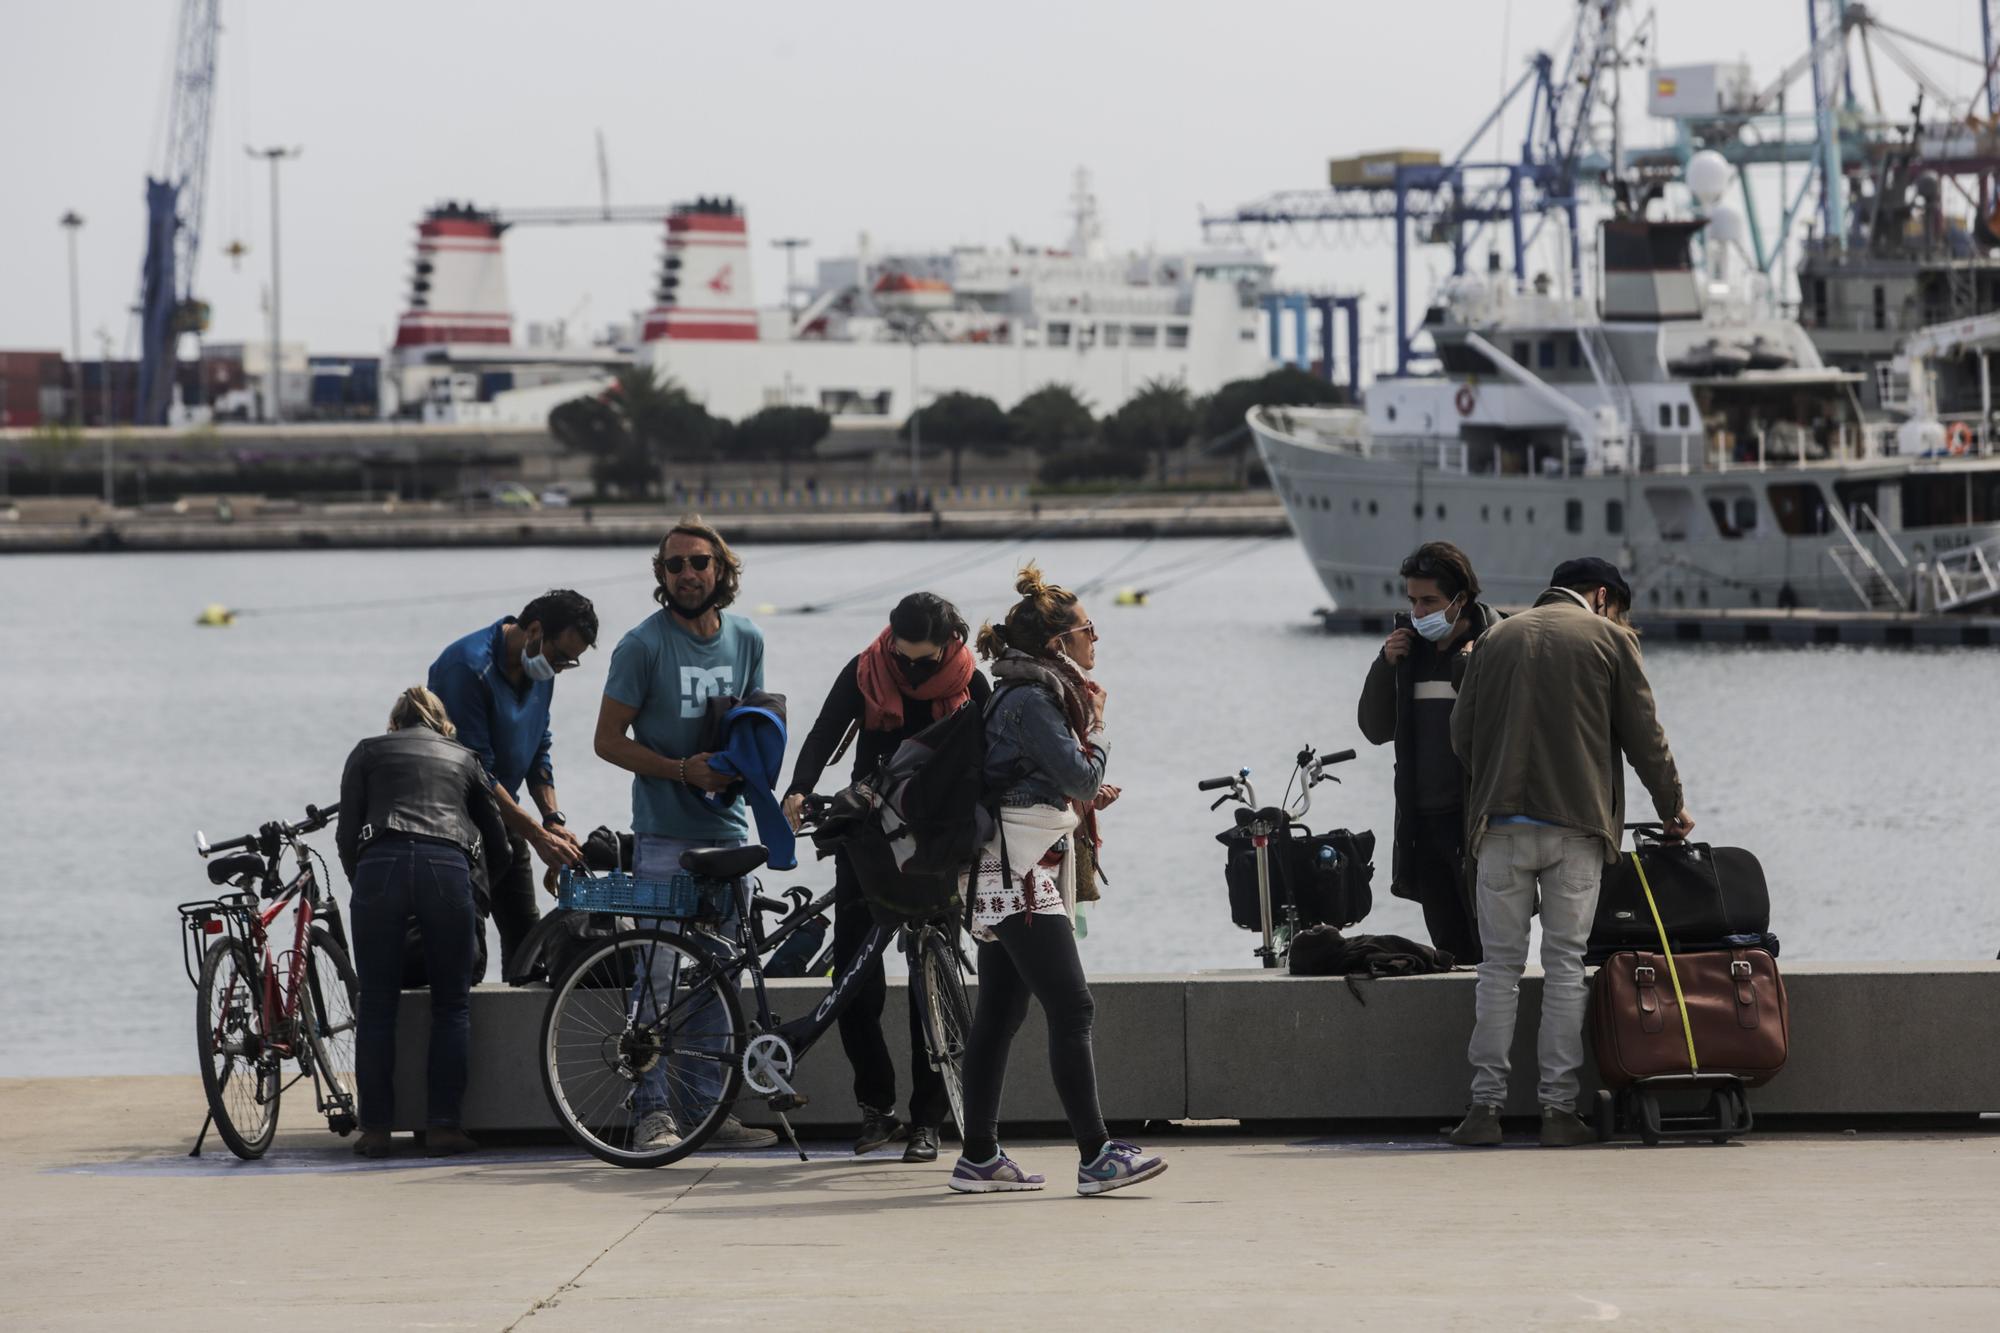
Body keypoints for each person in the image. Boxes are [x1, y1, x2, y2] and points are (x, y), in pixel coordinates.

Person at [1447, 556, 1694, 1148]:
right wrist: (1672, 806)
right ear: (1602, 596)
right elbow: (1644, 736)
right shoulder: (1610, 640)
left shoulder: (1495, 636)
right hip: (1578, 827)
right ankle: (1559, 1112)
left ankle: (1484, 1110)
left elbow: (1462, 734)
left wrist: (1498, 781)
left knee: (1497, 969)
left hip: (1500, 826)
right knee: (1564, 969)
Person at [948, 565, 1166, 1196]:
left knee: (1000, 1013)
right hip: (1019, 868)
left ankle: (979, 1157)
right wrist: (1096, 727)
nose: (1095, 641)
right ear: (1056, 645)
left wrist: (1079, 790)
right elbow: (1080, 779)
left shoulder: (1029, 695)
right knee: (1072, 1006)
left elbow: (1056, 783)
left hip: (1011, 861)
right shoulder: (1034, 700)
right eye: (1087, 631)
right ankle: (1096, 1154)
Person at [783, 592, 992, 1164]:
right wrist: (799, 788)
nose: (911, 670)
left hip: (936, 836)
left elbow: (992, 751)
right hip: (869, 833)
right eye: (903, 659)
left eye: (924, 662)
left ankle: (929, 1120)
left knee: (934, 981)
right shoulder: (866, 668)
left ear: (949, 642)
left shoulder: (971, 680)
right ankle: (876, 1107)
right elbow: (824, 733)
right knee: (854, 976)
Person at [594, 517, 777, 1152]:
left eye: (700, 563)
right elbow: (606, 741)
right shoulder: (641, 646)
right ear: (661, 575)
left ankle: (707, 1113)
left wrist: (759, 778)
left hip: (731, 831)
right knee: (658, 980)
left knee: (717, 981)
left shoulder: (748, 636)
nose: (688, 574)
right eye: (675, 566)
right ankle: (650, 1114)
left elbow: (753, 726)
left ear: (722, 571)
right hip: (664, 837)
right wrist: (679, 769)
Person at [335, 686, 511, 1159]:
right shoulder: (465, 759)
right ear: (441, 724)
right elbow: (501, 845)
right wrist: (476, 891)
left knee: (374, 1005)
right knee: (451, 1006)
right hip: (445, 866)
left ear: (394, 723)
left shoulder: (368, 752)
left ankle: (374, 1130)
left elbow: (346, 834)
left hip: (379, 865)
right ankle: (443, 1128)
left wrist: (366, 882)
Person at [427, 590, 597, 980]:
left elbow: (539, 748)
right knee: (466, 951)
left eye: (569, 664)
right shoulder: (466, 668)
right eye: (559, 658)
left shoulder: (541, 671)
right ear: (535, 630)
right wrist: (537, 834)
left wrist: (551, 819)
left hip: (506, 819)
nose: (559, 669)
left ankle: (527, 1037)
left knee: (528, 945)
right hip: (455, 825)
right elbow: (476, 771)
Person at [1357, 541, 1502, 964]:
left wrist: (1467, 669)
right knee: (1449, 953)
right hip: (1425, 824)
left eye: (1430, 602)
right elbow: (1375, 729)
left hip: (1478, 826)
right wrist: (1385, 666)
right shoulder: (1408, 653)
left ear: (1461, 599)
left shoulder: (1496, 644)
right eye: (1413, 601)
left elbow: (1502, 730)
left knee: (1493, 954)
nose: (1420, 612)